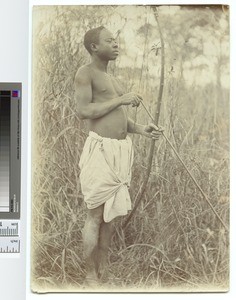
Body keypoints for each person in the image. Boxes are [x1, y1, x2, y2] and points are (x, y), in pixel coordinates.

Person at [74, 26, 163, 285]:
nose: (116, 44)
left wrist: (142, 129)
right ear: (93, 47)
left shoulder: (114, 79)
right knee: (94, 215)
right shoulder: (85, 73)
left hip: (120, 153)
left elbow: (119, 118)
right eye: (109, 41)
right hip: (100, 151)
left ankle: (104, 272)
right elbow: (84, 111)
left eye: (116, 40)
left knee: (110, 217)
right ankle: (89, 275)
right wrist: (121, 100)